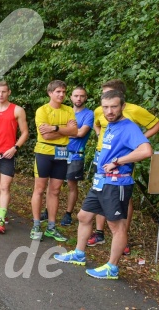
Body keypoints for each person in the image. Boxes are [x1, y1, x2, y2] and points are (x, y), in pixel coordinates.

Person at [54, 90, 153, 279]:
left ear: (122, 106)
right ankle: (79, 254)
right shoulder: (111, 126)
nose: (109, 111)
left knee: (117, 226)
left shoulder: (128, 127)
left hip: (117, 183)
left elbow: (146, 150)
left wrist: (118, 161)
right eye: (105, 107)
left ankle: (112, 268)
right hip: (101, 181)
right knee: (84, 216)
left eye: (114, 106)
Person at [88, 79, 159, 255]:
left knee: (121, 196)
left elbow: (157, 125)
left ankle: (122, 238)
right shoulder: (101, 110)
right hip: (102, 156)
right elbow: (97, 124)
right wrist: (100, 136)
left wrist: (136, 141)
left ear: (120, 99)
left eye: (111, 96)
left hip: (122, 160)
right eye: (104, 97)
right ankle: (99, 233)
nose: (108, 106)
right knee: (100, 193)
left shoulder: (133, 112)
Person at [30, 80, 78, 241]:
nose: (61, 95)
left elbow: (75, 131)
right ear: (50, 93)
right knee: (40, 189)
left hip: (62, 154)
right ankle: (36, 224)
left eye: (64, 92)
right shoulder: (42, 110)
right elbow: (46, 135)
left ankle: (51, 226)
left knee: (55, 191)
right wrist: (65, 130)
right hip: (44, 152)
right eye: (58, 92)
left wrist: (55, 128)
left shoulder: (69, 110)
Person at [0, 81, 29, 234]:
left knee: (4, 186)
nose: (0, 95)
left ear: (9, 92)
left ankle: (1, 220)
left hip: (7, 154)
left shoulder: (17, 110)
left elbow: (25, 132)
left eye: (3, 92)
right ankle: (1, 213)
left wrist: (15, 148)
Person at [42, 86, 94, 226]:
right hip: (58, 151)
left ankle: (68, 214)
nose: (79, 98)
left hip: (76, 154)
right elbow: (48, 134)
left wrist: (59, 130)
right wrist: (68, 130)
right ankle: (47, 211)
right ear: (70, 97)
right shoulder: (65, 111)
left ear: (86, 98)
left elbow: (81, 133)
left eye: (82, 96)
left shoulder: (89, 114)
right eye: (76, 95)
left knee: (72, 184)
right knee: (52, 183)